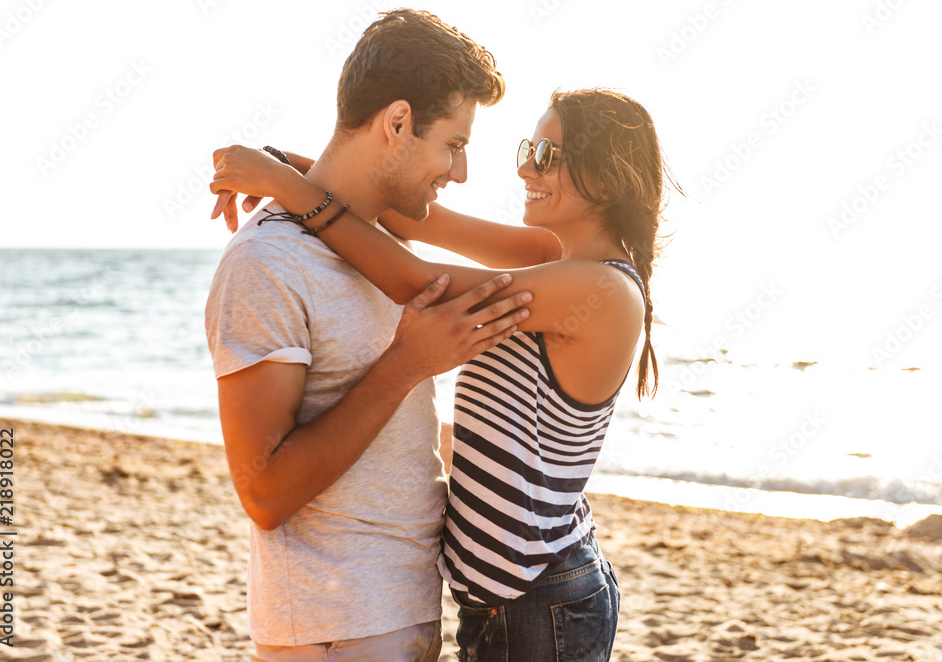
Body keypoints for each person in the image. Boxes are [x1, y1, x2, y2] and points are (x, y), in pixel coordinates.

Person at [211, 87, 677, 661]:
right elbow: (413, 219)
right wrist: (294, 166)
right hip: (503, 595)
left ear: (605, 182)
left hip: (542, 595)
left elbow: (415, 280)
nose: (526, 166)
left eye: (549, 156)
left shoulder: (602, 290)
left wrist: (286, 188)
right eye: (529, 147)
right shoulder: (549, 253)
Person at [203, 9, 529, 661]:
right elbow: (263, 492)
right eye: (454, 145)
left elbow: (542, 256)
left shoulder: (378, 245)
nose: (459, 172)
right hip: (332, 626)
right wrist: (408, 361)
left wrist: (291, 175)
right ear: (398, 122)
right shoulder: (267, 262)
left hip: (397, 610)